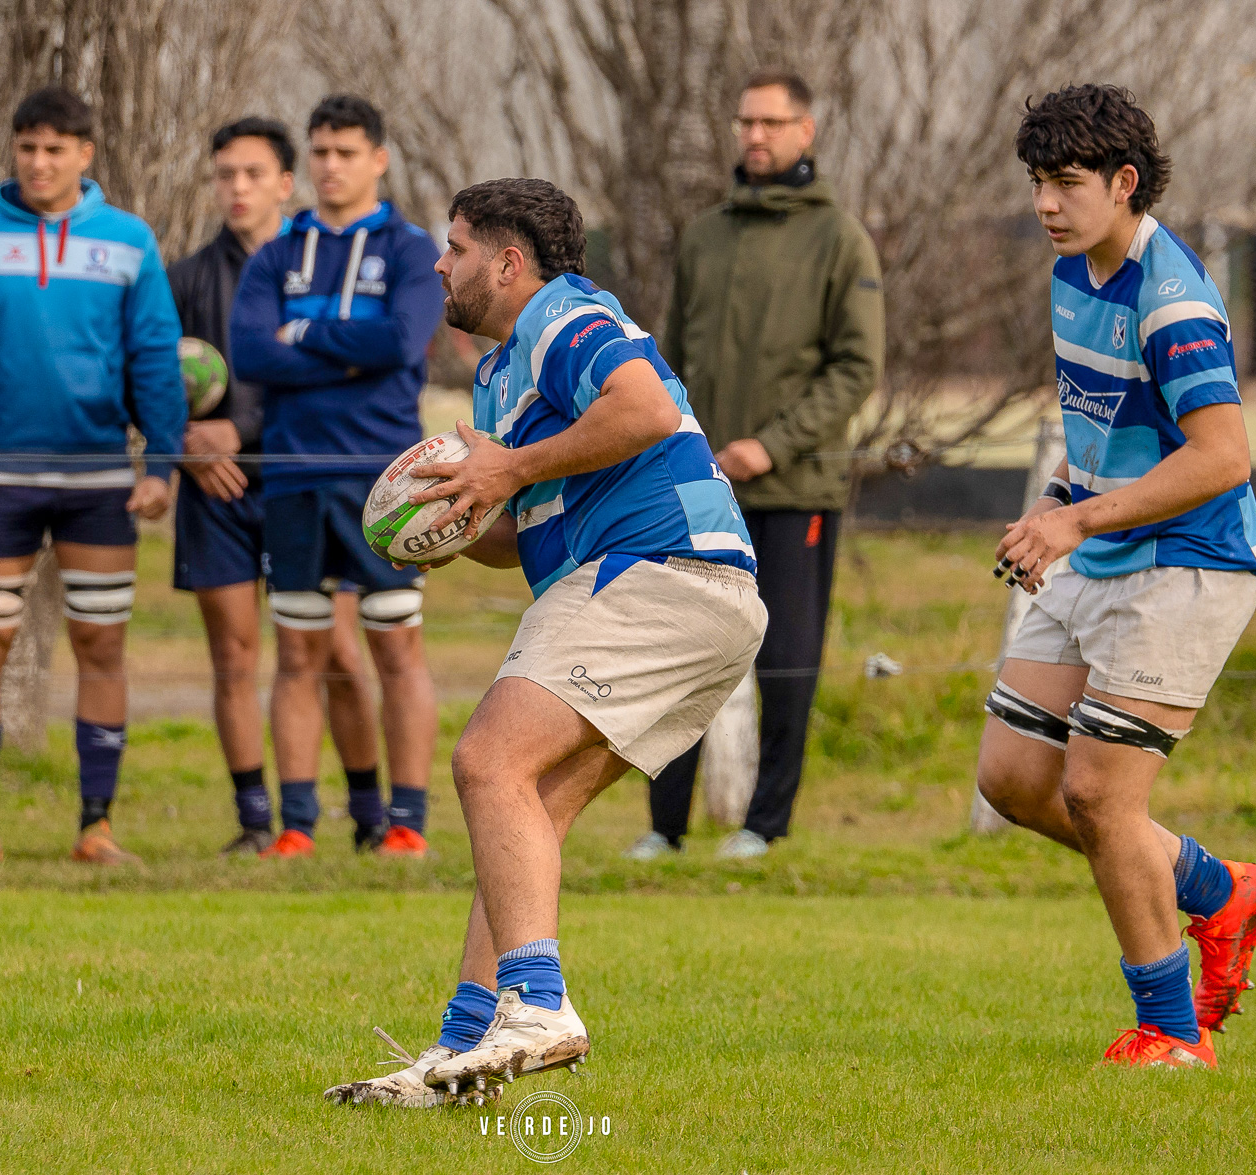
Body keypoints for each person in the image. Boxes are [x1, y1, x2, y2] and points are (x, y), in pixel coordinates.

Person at [323, 178, 766, 1107]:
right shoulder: (497, 377)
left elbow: (643, 410)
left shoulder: (564, 315)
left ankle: (538, 1003)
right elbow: (519, 521)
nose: (439, 263)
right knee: (524, 812)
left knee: (487, 760)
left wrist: (507, 467)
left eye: (454, 247)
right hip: (690, 591)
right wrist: (451, 522)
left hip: (658, 569)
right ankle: (460, 1052)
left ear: (508, 263)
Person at [977, 84, 1256, 1069]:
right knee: (1016, 778)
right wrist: (1058, 507)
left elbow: (1223, 455)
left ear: (1124, 182)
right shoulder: (1076, 271)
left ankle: (1170, 1031)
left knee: (1102, 796)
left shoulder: (1174, 299)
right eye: (1036, 182)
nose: (1045, 204)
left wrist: (1075, 517)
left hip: (1187, 566)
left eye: (1065, 183)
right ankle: (1217, 888)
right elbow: (1108, 427)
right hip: (1099, 546)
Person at [0, 86, 185, 865]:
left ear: (86, 154)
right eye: (27, 146)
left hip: (99, 481)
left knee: (101, 644)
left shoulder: (128, 240)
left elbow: (157, 358)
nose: (39, 161)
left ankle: (96, 827)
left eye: (56, 148)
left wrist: (161, 463)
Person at [628, 70, 885, 862]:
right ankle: (662, 826)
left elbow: (855, 366)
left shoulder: (840, 237)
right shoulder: (705, 235)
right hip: (697, 487)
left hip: (793, 486)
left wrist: (771, 444)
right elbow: (668, 360)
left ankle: (765, 826)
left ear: (807, 131)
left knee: (786, 660)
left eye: (773, 122)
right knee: (682, 649)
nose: (756, 136)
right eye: (745, 121)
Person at [230, 95, 445, 858]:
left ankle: (408, 823)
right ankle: (296, 825)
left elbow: (402, 338)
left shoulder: (415, 249)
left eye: (345, 152)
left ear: (378, 159)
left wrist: (306, 334)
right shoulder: (276, 253)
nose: (329, 166)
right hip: (291, 477)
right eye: (319, 151)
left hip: (384, 480)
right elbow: (251, 354)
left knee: (397, 648)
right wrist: (347, 351)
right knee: (297, 653)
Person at [168, 116, 382, 857]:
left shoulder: (325, 271)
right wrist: (186, 443)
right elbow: (150, 375)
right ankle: (257, 818)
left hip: (306, 477)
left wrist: (242, 428)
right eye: (225, 173)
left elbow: (341, 367)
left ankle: (369, 812)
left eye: (253, 173)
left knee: (338, 654)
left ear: (285, 184)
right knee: (234, 656)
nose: (237, 187)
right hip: (214, 491)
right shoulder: (188, 277)